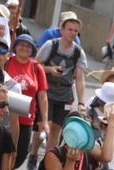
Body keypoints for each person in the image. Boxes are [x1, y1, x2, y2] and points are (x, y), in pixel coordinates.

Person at [35, 11, 86, 152]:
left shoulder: (78, 52)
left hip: (65, 94)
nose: (73, 33)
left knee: (57, 129)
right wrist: (50, 70)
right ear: (62, 30)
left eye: (76, 31)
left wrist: (81, 102)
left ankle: (47, 162)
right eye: (70, 29)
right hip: (47, 91)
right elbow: (35, 65)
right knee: (45, 125)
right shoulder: (50, 45)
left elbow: (80, 78)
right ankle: (33, 154)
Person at [5, 34, 48, 170]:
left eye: (28, 46)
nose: (24, 48)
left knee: (21, 155)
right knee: (3, 152)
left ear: (32, 50)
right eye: (21, 45)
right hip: (5, 117)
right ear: (15, 47)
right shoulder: (7, 62)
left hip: (26, 120)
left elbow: (42, 96)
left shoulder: (36, 68)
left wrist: (45, 120)